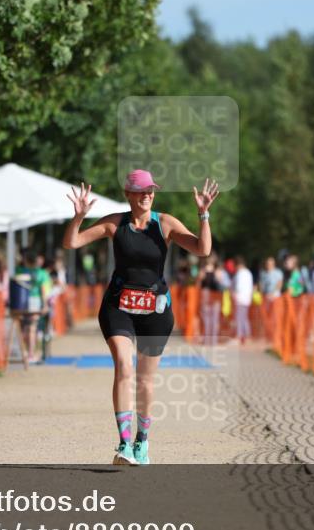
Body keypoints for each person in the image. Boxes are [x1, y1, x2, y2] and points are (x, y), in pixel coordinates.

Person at [62, 171, 219, 465]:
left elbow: (203, 249)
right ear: (129, 194)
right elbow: (72, 243)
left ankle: (141, 443)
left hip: (155, 311)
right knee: (123, 365)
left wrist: (203, 215)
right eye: (141, 191)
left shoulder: (166, 223)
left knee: (145, 380)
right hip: (118, 306)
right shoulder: (114, 223)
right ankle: (123, 444)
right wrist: (79, 217)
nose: (147, 195)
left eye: (151, 191)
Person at [12, 248, 51, 367]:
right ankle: (30, 354)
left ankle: (24, 351)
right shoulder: (42, 274)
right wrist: (45, 305)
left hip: (21, 301)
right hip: (35, 301)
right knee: (32, 328)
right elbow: (44, 291)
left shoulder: (20, 271)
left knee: (23, 327)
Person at [200, 255, 224, 346]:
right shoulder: (218, 271)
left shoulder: (203, 270)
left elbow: (199, 281)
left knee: (207, 318)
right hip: (215, 296)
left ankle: (207, 339)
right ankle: (212, 340)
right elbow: (221, 282)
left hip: (206, 294)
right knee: (214, 318)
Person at [232, 255, 254, 343]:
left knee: (240, 318)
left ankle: (240, 335)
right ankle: (247, 336)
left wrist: (235, 294)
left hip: (240, 298)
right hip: (246, 298)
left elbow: (238, 287)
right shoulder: (248, 273)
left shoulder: (240, 273)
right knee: (244, 318)